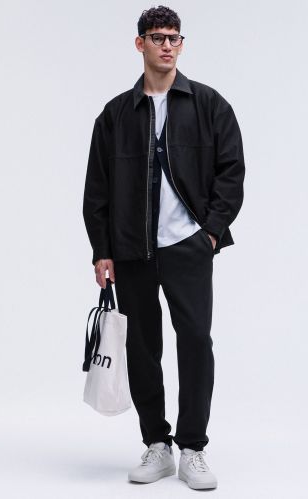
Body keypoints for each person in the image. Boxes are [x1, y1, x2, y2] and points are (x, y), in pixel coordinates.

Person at [83, 5, 245, 490]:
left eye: (175, 37)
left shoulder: (209, 105)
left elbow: (231, 173)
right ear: (140, 44)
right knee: (141, 347)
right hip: (131, 249)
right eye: (158, 37)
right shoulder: (115, 114)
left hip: (187, 246)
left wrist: (209, 234)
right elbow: (97, 189)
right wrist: (102, 250)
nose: (168, 45)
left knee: (195, 342)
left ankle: (192, 448)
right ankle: (156, 443)